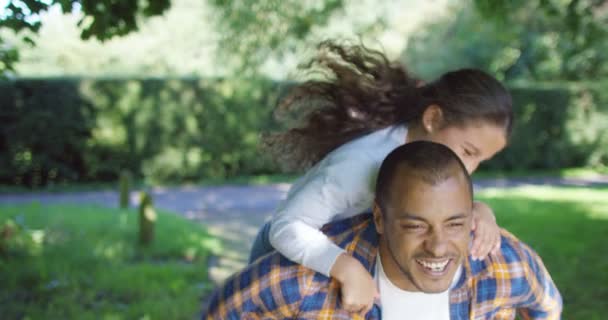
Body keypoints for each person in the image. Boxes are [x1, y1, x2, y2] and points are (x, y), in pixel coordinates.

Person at [249, 41, 513, 312]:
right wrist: (346, 267)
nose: (469, 169)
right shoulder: (361, 164)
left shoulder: (426, 161)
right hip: (286, 258)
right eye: (468, 152)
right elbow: (288, 225)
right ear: (433, 119)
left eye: (481, 160)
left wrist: (479, 211)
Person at [203, 141, 562, 319]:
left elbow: (548, 306)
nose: (438, 247)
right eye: (415, 225)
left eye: (455, 224)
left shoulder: (504, 265)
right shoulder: (304, 282)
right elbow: (221, 310)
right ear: (379, 219)